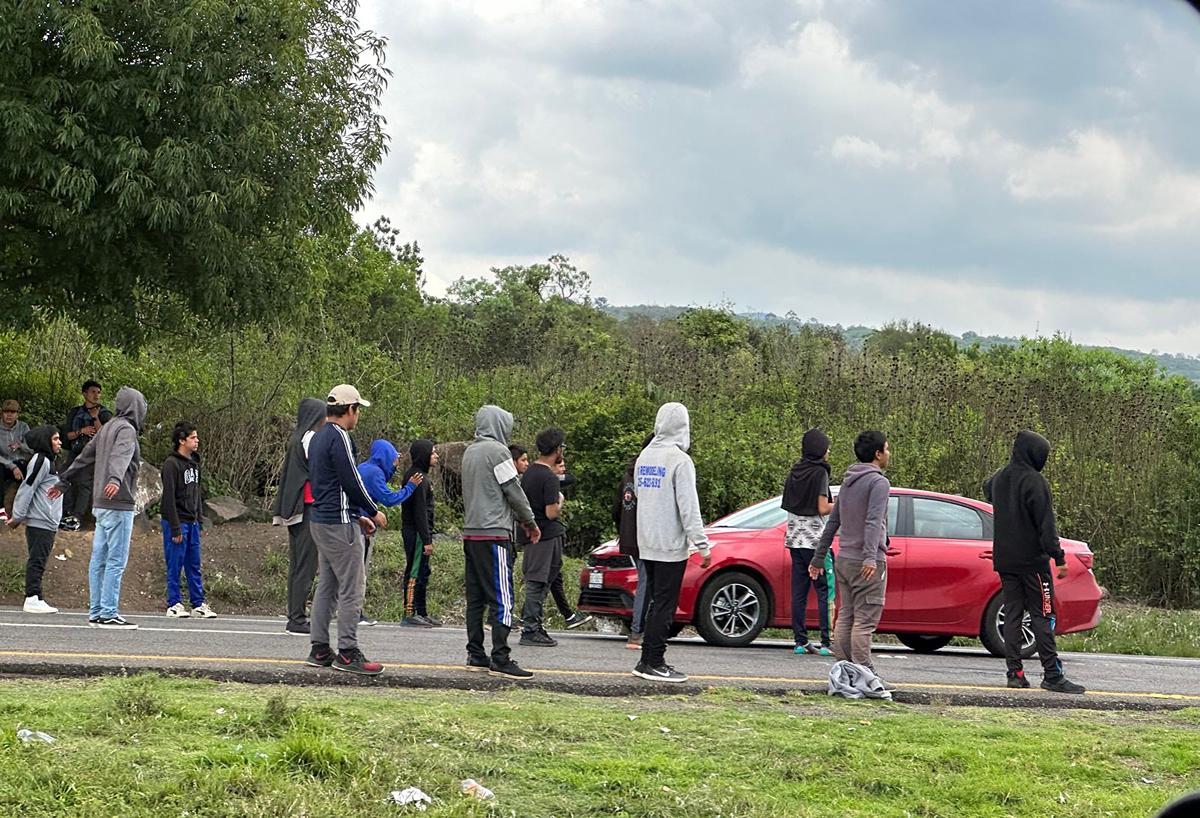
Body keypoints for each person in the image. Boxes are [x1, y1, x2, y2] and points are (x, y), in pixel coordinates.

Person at [983, 430, 1086, 695]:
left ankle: (1014, 673)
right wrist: (1059, 557)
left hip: (1005, 560)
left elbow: (987, 488)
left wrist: (1008, 467)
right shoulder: (1035, 482)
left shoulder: (999, 479)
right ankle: (1052, 674)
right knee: (1043, 614)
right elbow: (1046, 526)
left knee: (1014, 615)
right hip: (1033, 563)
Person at [304, 384, 388, 675]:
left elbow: (329, 485)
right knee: (353, 586)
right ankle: (349, 652)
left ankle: (319, 648)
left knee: (328, 585)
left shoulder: (316, 437)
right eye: (358, 410)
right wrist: (371, 510)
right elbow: (351, 480)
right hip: (339, 525)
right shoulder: (340, 437)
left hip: (321, 520)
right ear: (349, 410)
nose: (358, 417)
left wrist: (354, 514)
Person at [52, 386, 148, 629]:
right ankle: (108, 612)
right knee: (116, 558)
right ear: (136, 407)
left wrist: (64, 480)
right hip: (119, 502)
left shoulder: (107, 429)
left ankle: (96, 611)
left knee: (99, 558)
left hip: (101, 503)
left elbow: (84, 456)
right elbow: (121, 456)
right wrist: (115, 479)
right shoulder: (126, 429)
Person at [632, 403, 712, 683]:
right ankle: (654, 660)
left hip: (647, 541)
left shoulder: (644, 456)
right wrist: (701, 544)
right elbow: (688, 507)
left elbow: (641, 494)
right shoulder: (680, 460)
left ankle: (646, 659)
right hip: (669, 545)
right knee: (665, 605)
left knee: (656, 602)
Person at [462, 405, 540, 679]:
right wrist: (529, 521)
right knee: (502, 598)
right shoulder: (498, 452)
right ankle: (501, 657)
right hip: (494, 533)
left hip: (471, 533)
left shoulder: (470, 451)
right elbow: (513, 490)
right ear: (499, 426)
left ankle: (475, 653)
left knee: (475, 598)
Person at [811, 430, 891, 679]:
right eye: (886, 449)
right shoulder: (879, 483)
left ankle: (845, 669)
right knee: (865, 620)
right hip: (867, 561)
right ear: (877, 454)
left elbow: (833, 521)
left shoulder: (848, 482)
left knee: (846, 614)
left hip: (844, 557)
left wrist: (818, 556)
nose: (889, 453)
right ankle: (866, 672)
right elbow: (873, 521)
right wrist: (870, 556)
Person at [272, 398, 327, 635]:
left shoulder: (296, 438)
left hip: (295, 509)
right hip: (307, 508)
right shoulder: (309, 438)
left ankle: (295, 614)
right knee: (306, 565)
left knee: (297, 565)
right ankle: (296, 618)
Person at [356, 439, 422, 626]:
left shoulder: (364, 467)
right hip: (362, 526)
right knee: (360, 570)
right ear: (385, 457)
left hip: (354, 522)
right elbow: (389, 498)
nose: (395, 464)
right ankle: (356, 612)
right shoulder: (374, 473)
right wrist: (410, 487)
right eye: (393, 460)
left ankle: (344, 609)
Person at [782, 428, 836, 656]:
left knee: (799, 592)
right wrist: (842, 505)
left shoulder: (796, 470)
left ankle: (800, 641)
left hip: (794, 539)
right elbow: (822, 507)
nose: (828, 452)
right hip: (816, 542)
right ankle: (827, 642)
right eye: (827, 447)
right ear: (819, 450)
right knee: (826, 590)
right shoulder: (820, 473)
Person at [517, 428, 571, 647]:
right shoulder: (549, 476)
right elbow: (551, 512)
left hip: (535, 532)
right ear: (557, 449)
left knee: (542, 579)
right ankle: (530, 628)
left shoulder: (529, 473)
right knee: (537, 581)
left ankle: (534, 625)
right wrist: (560, 501)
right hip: (543, 535)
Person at [160, 421, 216, 619]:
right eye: (193, 437)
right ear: (182, 440)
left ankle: (198, 603)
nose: (197, 441)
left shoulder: (195, 463)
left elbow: (196, 493)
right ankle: (174, 603)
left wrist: (198, 519)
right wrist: (175, 528)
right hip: (176, 521)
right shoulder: (171, 464)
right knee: (175, 563)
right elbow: (168, 498)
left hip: (192, 522)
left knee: (194, 564)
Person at [8, 426, 63, 613]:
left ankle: (37, 596)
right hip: (40, 520)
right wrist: (18, 515)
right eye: (55, 439)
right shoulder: (41, 461)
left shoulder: (50, 461)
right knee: (37, 560)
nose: (59, 442)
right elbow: (27, 487)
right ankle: (32, 597)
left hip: (47, 520)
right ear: (45, 441)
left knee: (40, 558)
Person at [615, 433, 655, 650]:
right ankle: (637, 630)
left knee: (645, 580)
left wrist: (622, 531)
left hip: (629, 535)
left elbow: (616, 509)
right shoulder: (651, 474)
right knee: (647, 582)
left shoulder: (627, 475)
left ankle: (639, 626)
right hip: (645, 536)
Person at [546, 455, 592, 630]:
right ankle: (529, 617)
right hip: (546, 535)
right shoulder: (545, 480)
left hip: (553, 533)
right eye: (560, 466)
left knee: (554, 577)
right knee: (547, 578)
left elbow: (570, 478)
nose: (563, 469)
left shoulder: (552, 481)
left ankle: (568, 615)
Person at [59, 381, 112, 531]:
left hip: (93, 456)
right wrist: (81, 431)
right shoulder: (75, 412)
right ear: (84, 393)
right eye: (93, 392)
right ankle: (65, 514)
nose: (96, 395)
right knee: (64, 478)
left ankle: (77, 517)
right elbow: (67, 436)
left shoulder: (104, 413)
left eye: (98, 392)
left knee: (84, 484)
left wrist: (95, 418)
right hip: (74, 452)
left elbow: (107, 436)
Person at [401, 439, 440, 627]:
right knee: (415, 571)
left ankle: (422, 611)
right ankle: (410, 612)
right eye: (433, 453)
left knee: (424, 571)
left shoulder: (422, 476)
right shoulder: (417, 478)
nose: (436, 456)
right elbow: (419, 512)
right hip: (416, 533)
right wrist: (426, 539)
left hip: (422, 532)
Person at [0, 399, 31, 521]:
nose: (9, 415)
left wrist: (20, 445)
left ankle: (27, 510)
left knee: (35, 471)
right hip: (4, 463)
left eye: (12, 412)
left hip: (21, 462)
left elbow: (32, 448)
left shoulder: (23, 427)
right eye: (6, 412)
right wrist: (12, 467)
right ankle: (1, 509)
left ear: (17, 414)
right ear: (2, 413)